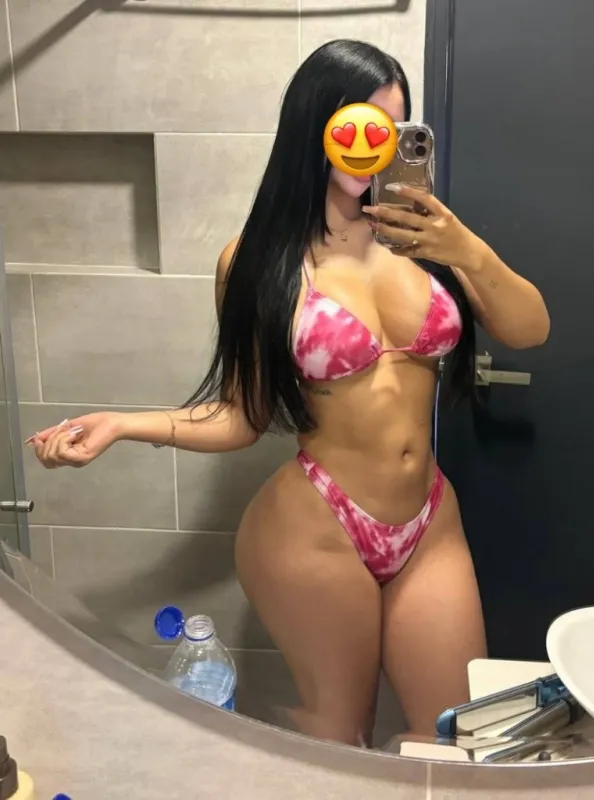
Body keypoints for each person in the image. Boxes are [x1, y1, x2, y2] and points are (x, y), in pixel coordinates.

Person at [28, 39, 550, 746]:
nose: (372, 144)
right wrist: (123, 424)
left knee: (461, 736)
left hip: (429, 521)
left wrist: (465, 250)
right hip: (317, 525)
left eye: (391, 127)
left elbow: (529, 329)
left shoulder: (427, 242)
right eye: (358, 123)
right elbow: (240, 417)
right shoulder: (257, 261)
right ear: (316, 125)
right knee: (338, 742)